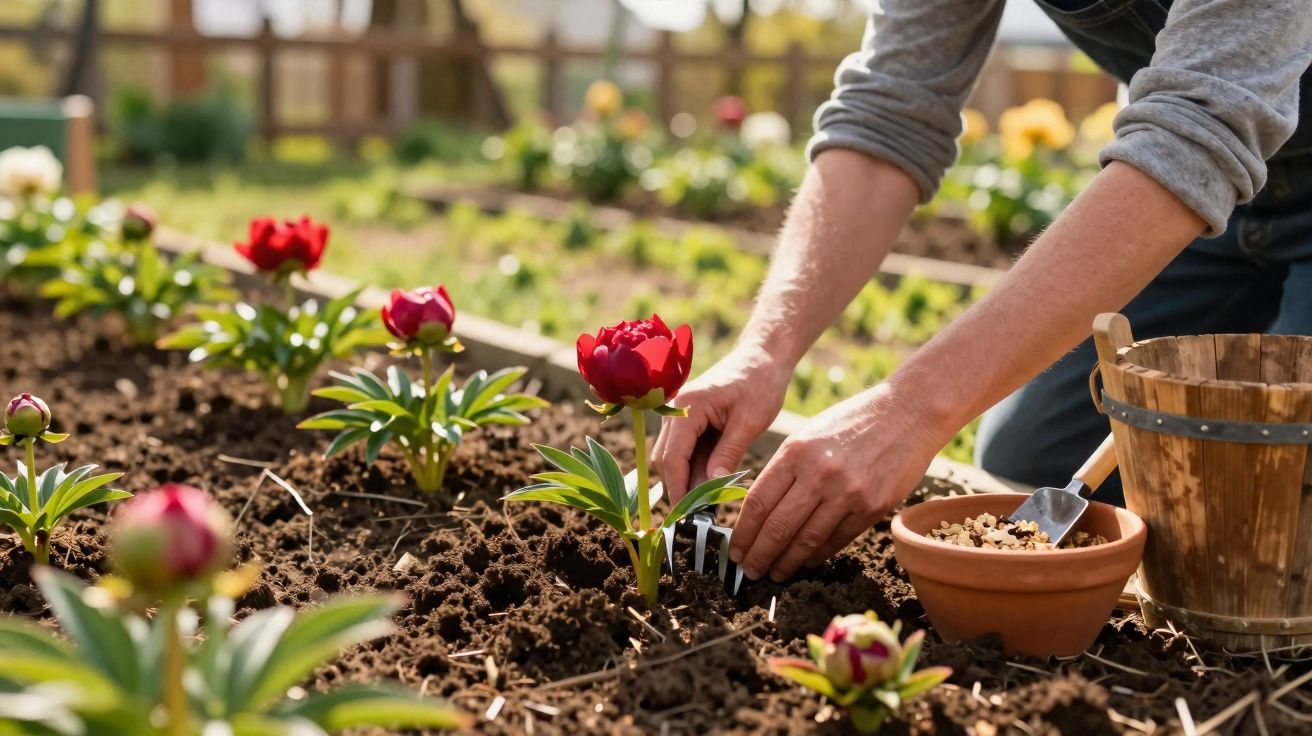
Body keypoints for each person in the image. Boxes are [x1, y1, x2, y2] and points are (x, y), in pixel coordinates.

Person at [653, 1, 1312, 584]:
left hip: (1191, 176)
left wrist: (908, 410)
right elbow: (888, 113)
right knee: (1026, 465)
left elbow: (1199, 129)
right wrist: (766, 351)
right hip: (1202, 217)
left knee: (1284, 541)